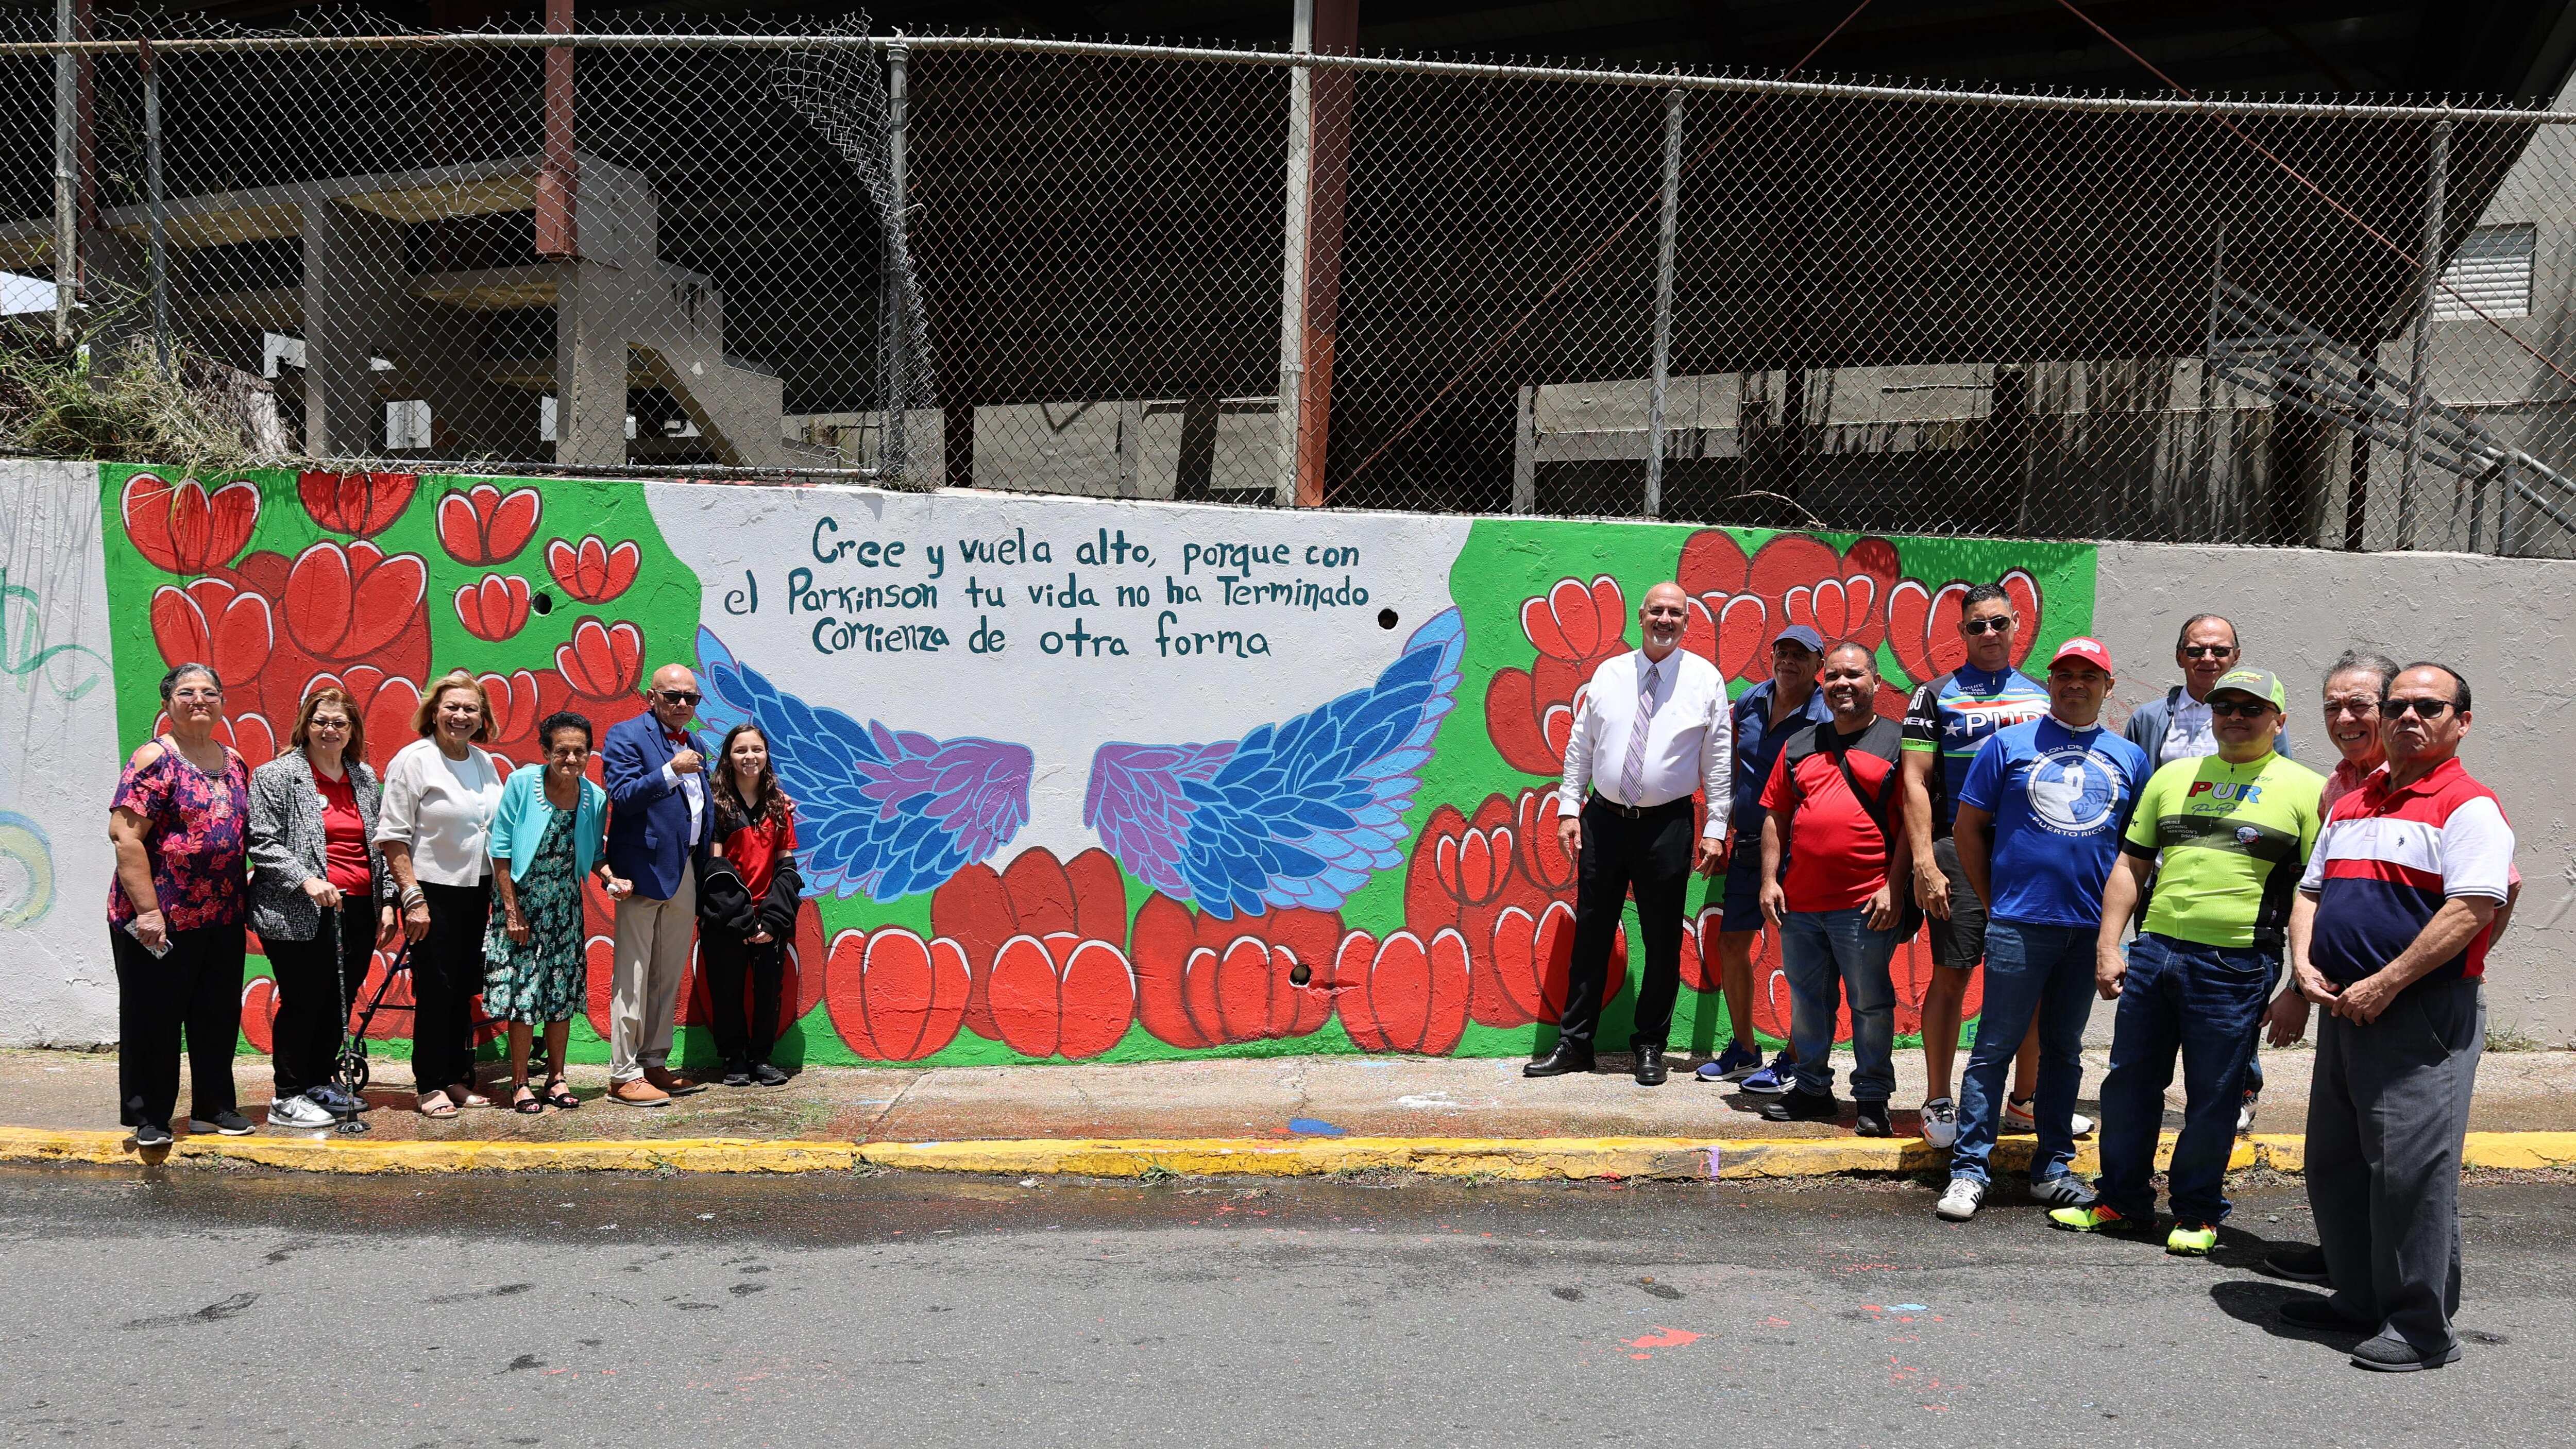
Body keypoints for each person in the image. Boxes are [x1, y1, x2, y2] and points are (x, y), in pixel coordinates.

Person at [2264, 651, 2523, 1288]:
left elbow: (2480, 903)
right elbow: (2311, 890)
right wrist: (2303, 968)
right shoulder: (2349, 798)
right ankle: (2354, 1295)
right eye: (2397, 706)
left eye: (2427, 707)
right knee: (2336, 1164)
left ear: (2460, 722)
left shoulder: (2467, 805)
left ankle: (2417, 1324)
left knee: (2409, 1172)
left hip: (2416, 1011)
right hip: (2345, 1009)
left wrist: (2400, 979)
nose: (2406, 716)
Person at [2053, 667, 2321, 1256]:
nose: (2234, 716)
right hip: (2153, 953)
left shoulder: (2307, 789)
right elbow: (2130, 865)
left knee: (2213, 1093)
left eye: (2249, 707)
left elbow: (2315, 893)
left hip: (2235, 964)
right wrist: (2109, 945)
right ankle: (2121, 1200)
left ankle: (2197, 1209)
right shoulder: (2172, 777)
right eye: (2223, 705)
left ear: (2278, 719)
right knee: (2128, 1084)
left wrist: (2299, 985)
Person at [1936, 639, 2150, 1220]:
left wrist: (2117, 932)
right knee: (1992, 1049)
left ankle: (2051, 1167)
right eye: (2064, 674)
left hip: (2088, 931)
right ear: (2049, 681)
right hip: (2016, 924)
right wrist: (1992, 901)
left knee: (2063, 1050)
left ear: (2108, 685)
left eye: (2088, 675)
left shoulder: (2129, 758)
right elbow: (1967, 828)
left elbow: (2136, 853)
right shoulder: (2007, 745)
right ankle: (1968, 1169)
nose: (2074, 683)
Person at [1529, 581, 1730, 1086]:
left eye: (1675, 613)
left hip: (1667, 826)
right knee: (1591, 934)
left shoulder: (1704, 679)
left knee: (1662, 941)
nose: (1665, 619)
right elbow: (1581, 745)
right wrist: (1568, 807)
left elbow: (1719, 760)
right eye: (1657, 611)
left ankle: (1650, 1047)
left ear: (1687, 622)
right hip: (1602, 821)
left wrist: (1715, 826)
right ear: (1640, 617)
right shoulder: (1609, 673)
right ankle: (1575, 1043)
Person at [2121, 613, 2297, 1131]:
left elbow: (2277, 779)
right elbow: (2140, 791)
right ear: (2179, 656)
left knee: (2229, 1003)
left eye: (2219, 651)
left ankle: (2241, 1087)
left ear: (2235, 658)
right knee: (2160, 995)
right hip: (2165, 877)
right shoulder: (2152, 716)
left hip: (2235, 874)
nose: (2207, 659)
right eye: (2196, 649)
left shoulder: (2258, 716)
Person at [1901, 583, 2052, 1148]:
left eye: (1997, 623)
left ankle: (2025, 1100)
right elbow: (1913, 781)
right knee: (1952, 974)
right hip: (1955, 853)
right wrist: (1923, 861)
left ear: (2017, 624)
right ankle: (1938, 1096)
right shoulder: (1932, 695)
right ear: (1960, 633)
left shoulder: (2041, 697)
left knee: (2029, 981)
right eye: (1975, 626)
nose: (1987, 633)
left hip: (2024, 855)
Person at [1755, 643, 1909, 1135]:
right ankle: (1812, 1089)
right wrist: (1768, 880)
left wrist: (1894, 886)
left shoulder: (1897, 742)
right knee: (1808, 1000)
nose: (1843, 683)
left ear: (1876, 683)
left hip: (1865, 902)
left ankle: (1872, 1097)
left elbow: (1912, 824)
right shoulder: (1800, 743)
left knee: (1869, 1002)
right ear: (1823, 684)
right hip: (1801, 902)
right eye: (1835, 675)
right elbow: (1776, 815)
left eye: (1855, 675)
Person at [106, 663, 254, 1146]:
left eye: (210, 692)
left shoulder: (233, 761)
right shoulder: (155, 758)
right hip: (160, 919)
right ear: (167, 703)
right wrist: (148, 912)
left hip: (221, 914)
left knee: (215, 1015)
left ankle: (213, 1106)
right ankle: (150, 1116)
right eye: (187, 692)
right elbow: (126, 838)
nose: (199, 700)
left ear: (221, 704)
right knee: (155, 1017)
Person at [247, 687, 399, 1130]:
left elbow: (383, 842)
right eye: (321, 721)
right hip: (297, 910)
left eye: (340, 722)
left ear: (353, 730)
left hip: (357, 908)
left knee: (339, 999)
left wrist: (388, 900)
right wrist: (306, 879)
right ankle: (288, 1094)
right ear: (305, 725)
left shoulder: (365, 777)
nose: (330, 730)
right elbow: (262, 840)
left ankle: (317, 1081)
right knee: (303, 999)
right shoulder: (277, 775)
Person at [1696, 625, 1828, 1090]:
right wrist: (1720, 825)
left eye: (1800, 655)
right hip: (1749, 843)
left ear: (1819, 665)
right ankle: (1745, 1052)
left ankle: (1795, 1056)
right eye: (1782, 652)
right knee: (1732, 944)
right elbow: (1729, 761)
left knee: (1803, 957)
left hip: (1801, 850)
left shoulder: (1826, 713)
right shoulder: (1751, 701)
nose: (1789, 661)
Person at [377, 670, 507, 1119]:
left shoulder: (484, 762)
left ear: (482, 717)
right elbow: (393, 836)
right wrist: (410, 897)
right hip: (430, 890)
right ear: (433, 712)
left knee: (462, 989)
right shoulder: (413, 760)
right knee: (436, 988)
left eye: (470, 708)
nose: (461, 715)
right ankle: (429, 1083)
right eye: (451, 707)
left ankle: (455, 1076)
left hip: (477, 889)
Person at [486, 712, 628, 1114]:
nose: (571, 759)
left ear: (589, 754)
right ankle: (519, 1082)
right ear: (546, 751)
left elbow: (596, 855)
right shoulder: (520, 784)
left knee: (560, 995)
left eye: (579, 751)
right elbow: (500, 850)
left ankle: (557, 1077)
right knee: (523, 996)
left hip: (565, 909)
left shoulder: (595, 797)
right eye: (561, 750)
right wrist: (512, 914)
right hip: (522, 908)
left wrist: (612, 879)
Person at [601, 663, 717, 1106]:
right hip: (641, 871)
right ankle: (623, 1073)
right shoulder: (627, 736)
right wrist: (671, 769)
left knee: (667, 974)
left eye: (691, 698)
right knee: (632, 973)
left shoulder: (697, 743)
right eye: (674, 697)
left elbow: (702, 805)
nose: (683, 705)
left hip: (684, 867)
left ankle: (653, 1062)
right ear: (652, 696)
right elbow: (625, 795)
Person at [699, 724, 806, 1086]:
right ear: (728, 757)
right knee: (726, 990)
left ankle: (761, 1057)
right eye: (741, 750)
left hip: (769, 917)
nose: (750, 757)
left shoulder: (779, 805)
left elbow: (787, 864)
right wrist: (741, 921)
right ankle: (734, 1058)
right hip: (726, 918)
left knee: (768, 990)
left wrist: (771, 921)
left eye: (757, 749)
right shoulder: (716, 806)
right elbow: (714, 868)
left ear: (767, 755)